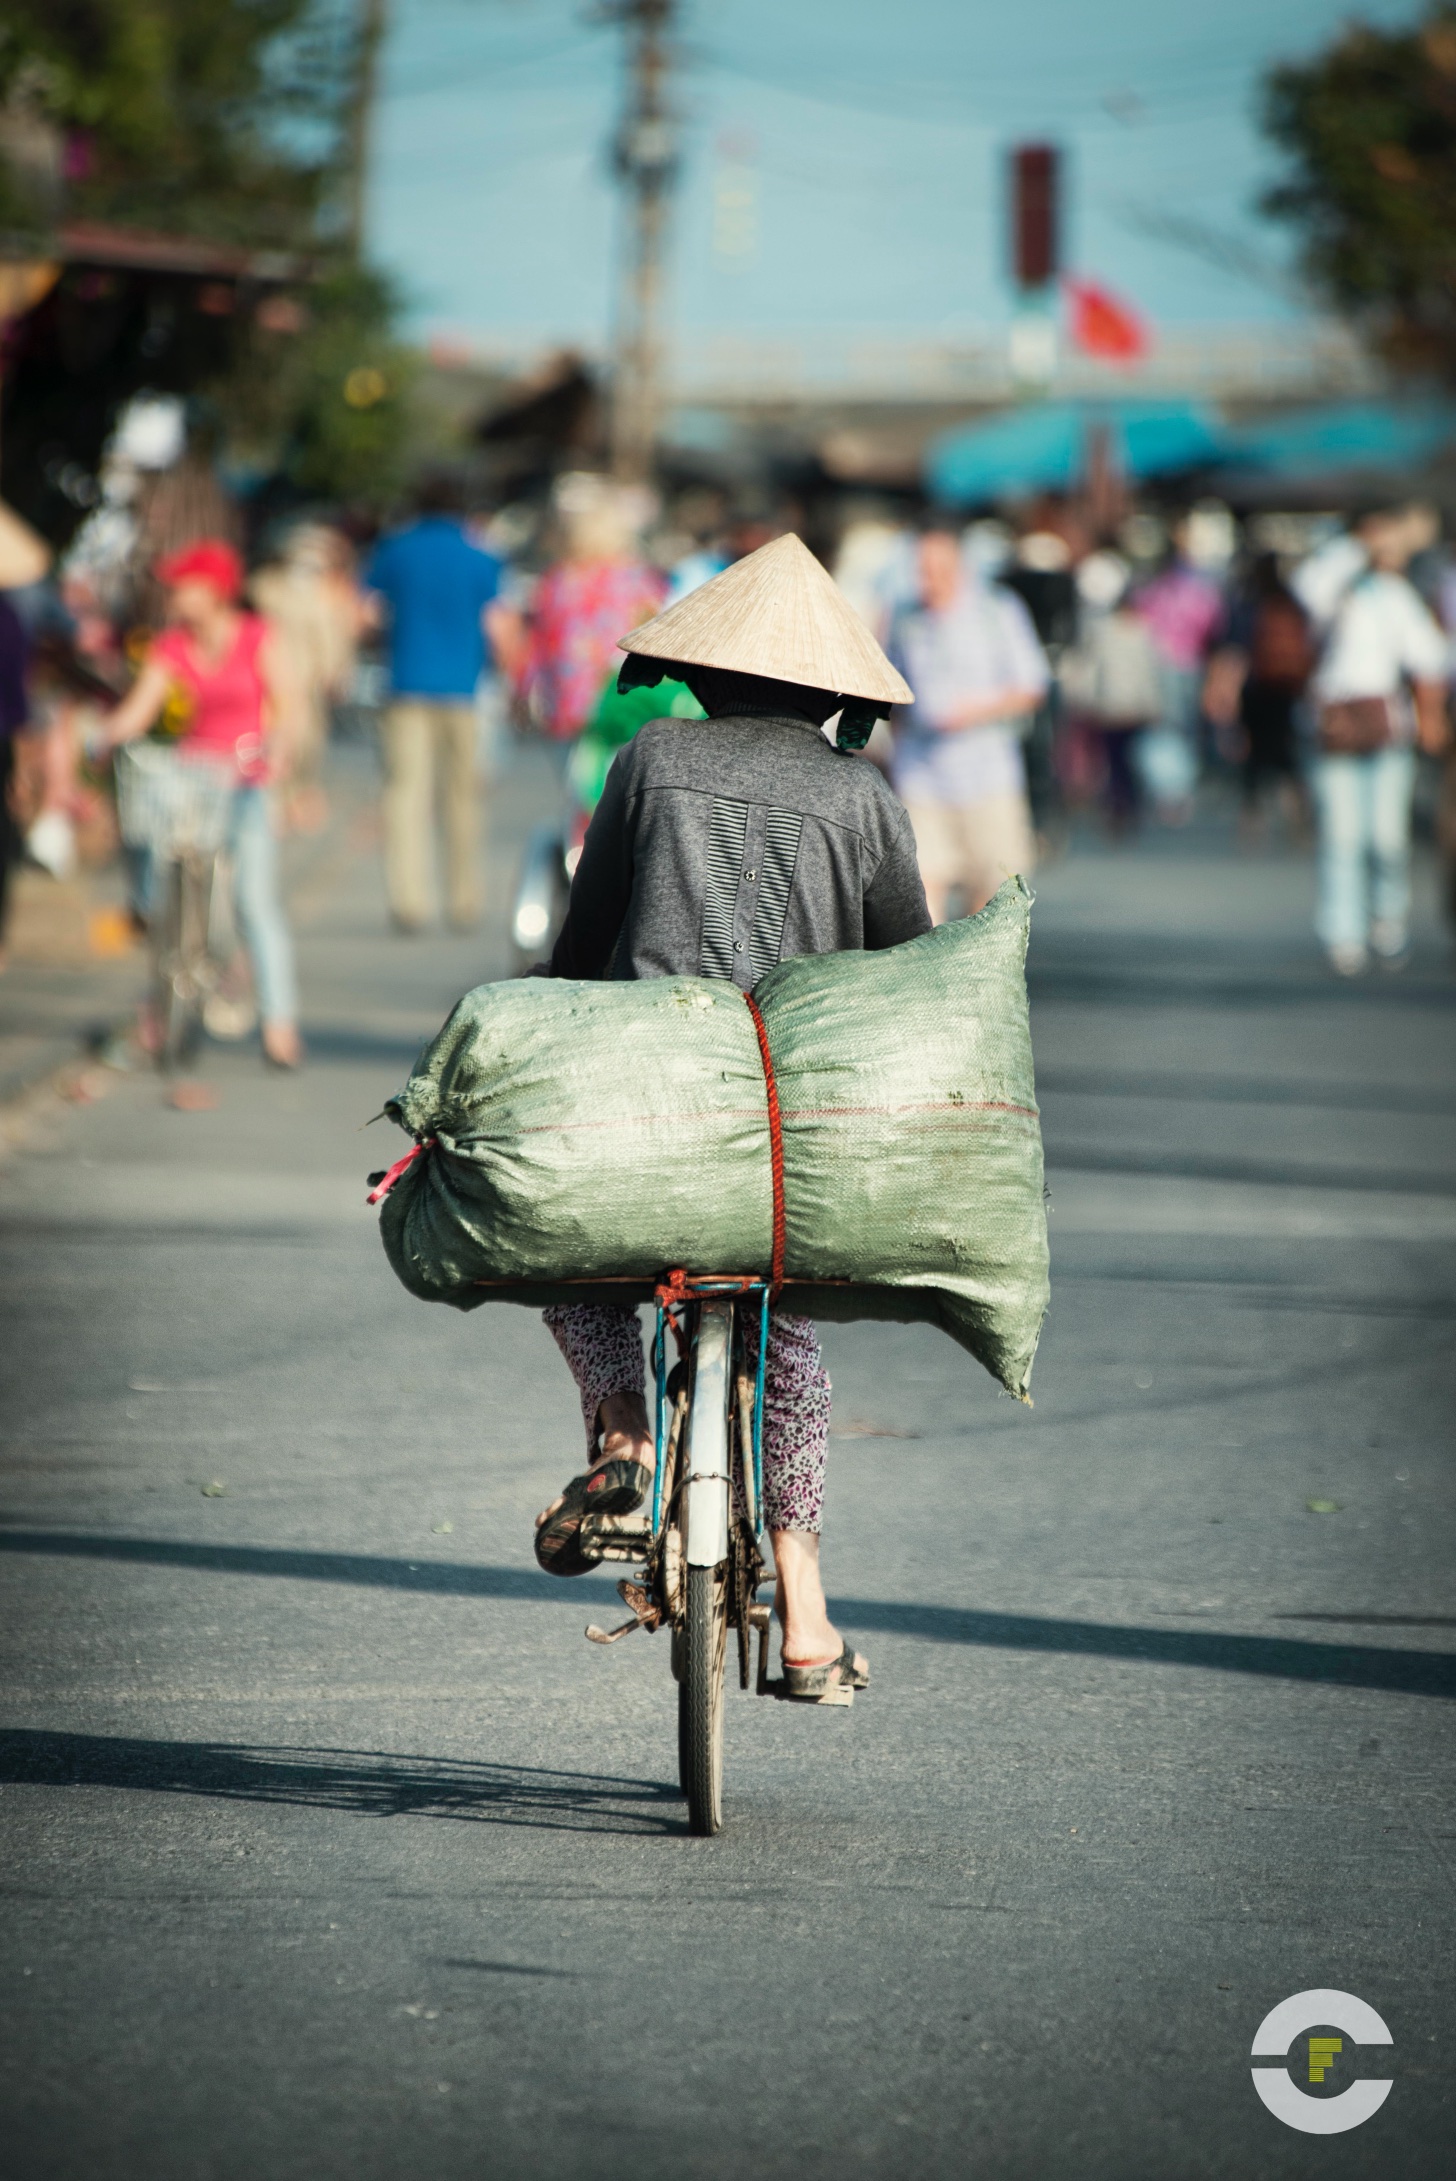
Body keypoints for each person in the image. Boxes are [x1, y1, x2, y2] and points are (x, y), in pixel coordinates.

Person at [532, 531, 929, 1703]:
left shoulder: (649, 760)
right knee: (786, 1330)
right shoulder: (862, 795)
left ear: (699, 679)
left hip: (649, 1101)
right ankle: (805, 1612)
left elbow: (578, 943)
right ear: (834, 696)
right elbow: (908, 973)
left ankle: (621, 1439)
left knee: (576, 1255)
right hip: (784, 1129)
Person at [104, 539, 303, 1068]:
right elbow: (138, 710)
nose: (174, 593)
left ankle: (279, 1023)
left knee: (255, 904)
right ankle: (162, 1003)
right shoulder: (170, 646)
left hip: (245, 782)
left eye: (184, 584)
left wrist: (279, 752)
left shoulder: (257, 637)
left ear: (214, 590)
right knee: (159, 891)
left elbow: (288, 705)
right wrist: (103, 738)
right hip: (191, 779)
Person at [1293, 505, 1450, 974]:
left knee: (1386, 837)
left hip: (1387, 728)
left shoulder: (1397, 595)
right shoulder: (1336, 587)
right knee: (1342, 836)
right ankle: (1342, 931)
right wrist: (1361, 545)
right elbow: (1308, 589)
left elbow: (1431, 658)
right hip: (1336, 724)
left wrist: (1431, 718)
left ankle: (1387, 917)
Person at [886, 518, 1047, 922]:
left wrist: (970, 712)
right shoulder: (905, 618)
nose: (929, 580)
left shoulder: (998, 610)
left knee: (989, 894)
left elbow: (1031, 686)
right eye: (921, 570)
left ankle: (973, 979)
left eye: (938, 570)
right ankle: (930, 980)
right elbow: (890, 690)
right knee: (922, 889)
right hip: (921, 776)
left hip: (988, 776)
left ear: (960, 567)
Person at [365, 478, 502, 934]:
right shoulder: (479, 556)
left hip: (406, 685)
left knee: (405, 794)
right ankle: (463, 900)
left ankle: (410, 902)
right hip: (463, 690)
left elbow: (366, 613)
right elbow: (498, 624)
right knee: (462, 797)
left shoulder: (396, 549)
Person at [495, 497, 667, 752]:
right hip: (627, 703)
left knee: (580, 783)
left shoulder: (558, 581)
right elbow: (658, 638)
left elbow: (537, 644)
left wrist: (520, 691)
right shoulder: (642, 582)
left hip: (568, 703)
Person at [249, 523, 361, 836]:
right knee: (275, 733)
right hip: (273, 674)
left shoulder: (326, 595)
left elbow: (332, 638)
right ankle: (277, 797)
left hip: (306, 677)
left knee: (306, 739)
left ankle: (294, 794)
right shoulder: (267, 588)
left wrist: (334, 669)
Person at [1208, 553, 1315, 833]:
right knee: (1284, 749)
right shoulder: (1290, 602)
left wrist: (1222, 689)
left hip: (1255, 687)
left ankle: (1252, 817)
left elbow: (1233, 648)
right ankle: (1297, 811)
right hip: (1284, 687)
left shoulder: (1247, 603)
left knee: (1254, 754)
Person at [1132, 519, 1224, 821]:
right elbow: (1212, 624)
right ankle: (1175, 789)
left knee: (1166, 728)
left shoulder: (1156, 588)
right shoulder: (1198, 588)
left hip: (1163, 665)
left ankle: (1170, 790)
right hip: (1186, 664)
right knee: (1180, 729)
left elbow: (1141, 622)